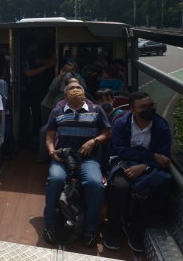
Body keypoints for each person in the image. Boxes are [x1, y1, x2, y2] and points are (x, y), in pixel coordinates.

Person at [44, 82, 111, 247]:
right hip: (63, 156)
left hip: (87, 158)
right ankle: (50, 224)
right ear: (65, 96)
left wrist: (92, 142)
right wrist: (52, 152)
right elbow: (49, 137)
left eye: (78, 88)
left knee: (96, 184)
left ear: (84, 93)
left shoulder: (96, 110)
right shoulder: (57, 112)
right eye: (71, 89)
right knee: (55, 179)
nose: (75, 91)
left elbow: (107, 133)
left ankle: (90, 227)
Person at [103, 92, 172, 253]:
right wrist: (152, 155)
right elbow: (121, 150)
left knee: (163, 191)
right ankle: (112, 229)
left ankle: (136, 228)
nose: (149, 109)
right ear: (133, 110)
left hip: (148, 166)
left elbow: (164, 157)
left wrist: (145, 166)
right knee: (120, 187)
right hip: (122, 162)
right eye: (143, 107)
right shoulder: (121, 124)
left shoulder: (161, 126)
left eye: (151, 106)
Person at [20, 35, 56, 147]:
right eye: (34, 44)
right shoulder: (22, 56)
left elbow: (38, 60)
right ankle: (25, 139)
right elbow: (28, 73)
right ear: (31, 45)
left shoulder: (30, 55)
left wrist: (51, 60)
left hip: (31, 88)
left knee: (36, 109)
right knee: (25, 113)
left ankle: (37, 132)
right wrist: (46, 67)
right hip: (23, 90)